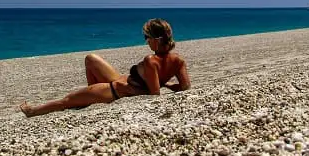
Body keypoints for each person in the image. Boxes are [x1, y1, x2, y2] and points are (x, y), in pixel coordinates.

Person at [19, 18, 191, 118]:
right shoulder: (179, 61)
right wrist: (167, 84)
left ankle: (33, 111)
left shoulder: (151, 60)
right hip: (118, 81)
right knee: (91, 59)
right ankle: (88, 95)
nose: (146, 41)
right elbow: (185, 87)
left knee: (67, 101)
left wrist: (160, 85)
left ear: (157, 39)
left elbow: (153, 94)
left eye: (147, 37)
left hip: (114, 90)